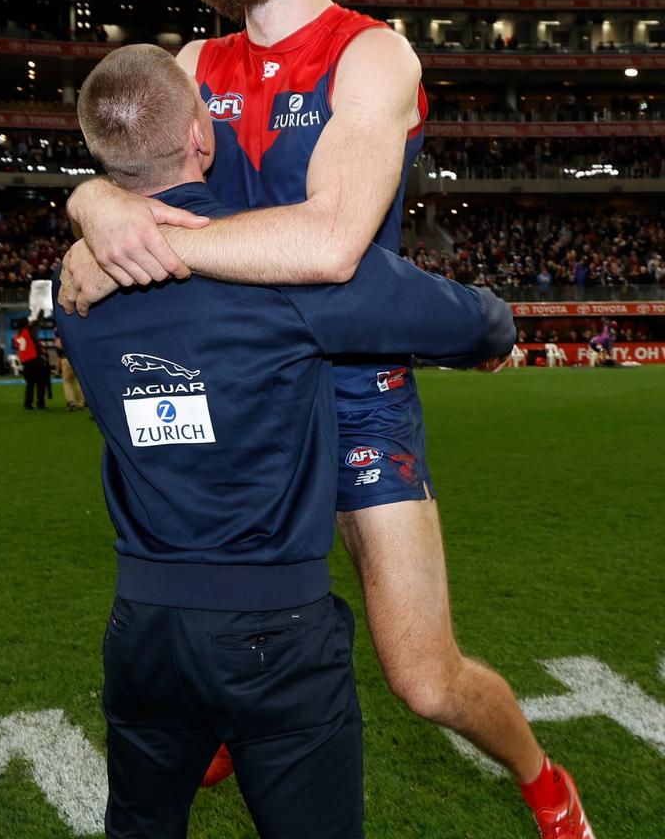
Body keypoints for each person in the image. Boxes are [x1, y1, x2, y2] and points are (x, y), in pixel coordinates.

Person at [59, 0, 594, 837]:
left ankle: (540, 776)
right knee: (213, 609)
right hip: (246, 397)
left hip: (353, 390)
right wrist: (95, 199)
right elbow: (125, 162)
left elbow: (334, 244)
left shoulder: (371, 52)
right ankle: (230, 708)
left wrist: (127, 230)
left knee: (425, 679)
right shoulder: (190, 58)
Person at [56, 43, 515, 839]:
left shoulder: (79, 293)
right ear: (203, 134)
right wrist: (496, 336)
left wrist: (87, 209)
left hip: (144, 630)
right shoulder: (285, 274)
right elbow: (470, 321)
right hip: (275, 633)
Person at [12, 318, 48, 410]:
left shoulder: (16, 336)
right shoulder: (27, 331)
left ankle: (28, 404)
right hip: (34, 360)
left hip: (25, 363)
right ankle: (40, 404)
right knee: (41, 383)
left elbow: (18, 347)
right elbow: (36, 323)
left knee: (30, 384)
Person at [53, 326, 86, 411]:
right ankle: (81, 403)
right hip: (79, 359)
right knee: (79, 382)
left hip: (66, 359)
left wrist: (57, 371)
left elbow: (59, 357)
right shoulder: (76, 335)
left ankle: (71, 402)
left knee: (67, 381)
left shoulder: (58, 341)